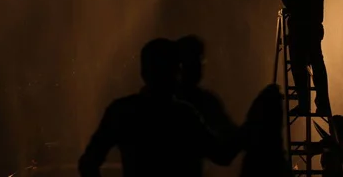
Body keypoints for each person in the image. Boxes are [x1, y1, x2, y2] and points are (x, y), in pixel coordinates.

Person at [78, 38, 245, 177]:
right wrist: (250, 128)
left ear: (143, 73)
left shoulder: (122, 111)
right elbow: (223, 156)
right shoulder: (184, 117)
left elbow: (88, 163)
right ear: (176, 73)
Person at [274, 0, 329, 115]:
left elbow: (291, 6)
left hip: (300, 31)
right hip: (314, 29)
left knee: (298, 67)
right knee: (318, 67)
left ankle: (304, 104)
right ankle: (322, 104)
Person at [176, 35, 238, 138]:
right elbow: (225, 143)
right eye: (197, 59)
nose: (200, 65)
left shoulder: (155, 101)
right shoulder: (204, 102)